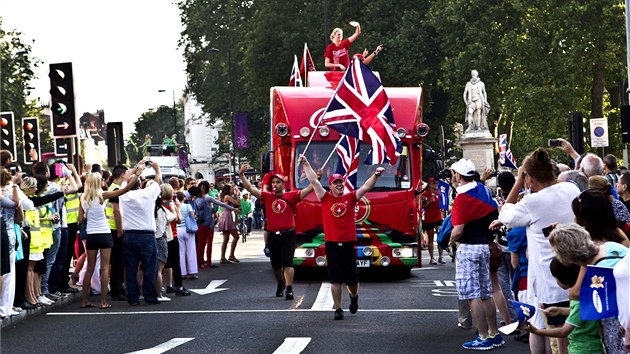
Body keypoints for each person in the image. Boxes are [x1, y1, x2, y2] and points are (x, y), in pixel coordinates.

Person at [493, 148, 581, 353]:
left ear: (529, 179)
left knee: (556, 338)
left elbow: (506, 214)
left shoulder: (531, 203)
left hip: (549, 280)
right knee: (574, 334)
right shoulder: (571, 189)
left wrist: (517, 182)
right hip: (577, 274)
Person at [299, 155, 383, 320]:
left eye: (341, 183)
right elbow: (314, 181)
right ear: (330, 186)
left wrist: (376, 175)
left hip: (348, 244)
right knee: (335, 279)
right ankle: (338, 309)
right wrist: (306, 163)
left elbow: (366, 186)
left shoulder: (350, 198)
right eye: (336, 183)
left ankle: (354, 297)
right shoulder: (325, 198)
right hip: (331, 244)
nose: (339, 185)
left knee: (352, 279)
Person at [446, 158, 503, 350]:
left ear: (459, 176)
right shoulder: (481, 189)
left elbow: (458, 229)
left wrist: (450, 240)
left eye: (454, 173)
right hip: (484, 246)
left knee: (472, 295)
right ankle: (494, 333)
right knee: (486, 292)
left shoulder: (462, 198)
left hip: (469, 247)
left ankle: (483, 336)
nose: (452, 176)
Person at [548, 222, 628, 353]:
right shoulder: (610, 246)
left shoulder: (597, 273)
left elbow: (575, 294)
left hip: (622, 325)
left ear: (567, 257)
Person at [239, 164, 314, 300]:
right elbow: (250, 188)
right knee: (276, 265)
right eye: (273, 182)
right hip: (273, 236)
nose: (275, 184)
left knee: (288, 262)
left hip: (288, 235)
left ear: (283, 184)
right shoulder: (267, 197)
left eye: (278, 182)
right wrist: (242, 175)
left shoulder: (292, 196)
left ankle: (289, 289)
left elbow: (309, 188)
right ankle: (280, 283)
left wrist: (316, 177)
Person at [78, 170, 139, 309]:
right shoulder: (103, 195)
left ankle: (84, 300)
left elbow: (80, 219)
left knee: (90, 269)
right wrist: (137, 175)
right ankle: (103, 301)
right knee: (105, 268)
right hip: (104, 233)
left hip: (91, 234)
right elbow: (124, 190)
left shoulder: (83, 198)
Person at [520, 256, 605, 354]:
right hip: (593, 347)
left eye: (556, 279)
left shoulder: (578, 302)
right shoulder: (588, 295)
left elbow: (563, 331)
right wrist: (560, 310)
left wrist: (536, 331)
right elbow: (580, 312)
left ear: (565, 280)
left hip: (582, 350)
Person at [119, 160, 162, 305]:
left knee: (130, 270)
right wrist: (156, 168)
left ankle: (133, 297)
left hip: (129, 235)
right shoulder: (147, 194)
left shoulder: (123, 195)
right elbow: (158, 181)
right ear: (140, 184)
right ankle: (150, 296)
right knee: (150, 268)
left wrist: (136, 169)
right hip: (146, 236)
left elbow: (124, 180)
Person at [421, 178, 444, 265]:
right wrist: (429, 202)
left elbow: (442, 203)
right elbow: (422, 206)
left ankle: (441, 256)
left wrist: (442, 206)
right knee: (430, 239)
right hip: (429, 219)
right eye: (434, 183)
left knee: (440, 235)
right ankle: (432, 258)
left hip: (438, 218)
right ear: (430, 184)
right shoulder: (425, 194)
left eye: (436, 183)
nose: (435, 185)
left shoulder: (439, 193)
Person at [218, 184, 241, 263]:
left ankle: (223, 257)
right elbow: (238, 203)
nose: (232, 189)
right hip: (227, 216)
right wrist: (237, 194)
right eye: (231, 188)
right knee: (236, 236)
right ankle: (231, 255)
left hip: (225, 215)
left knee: (226, 238)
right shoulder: (227, 197)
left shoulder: (225, 196)